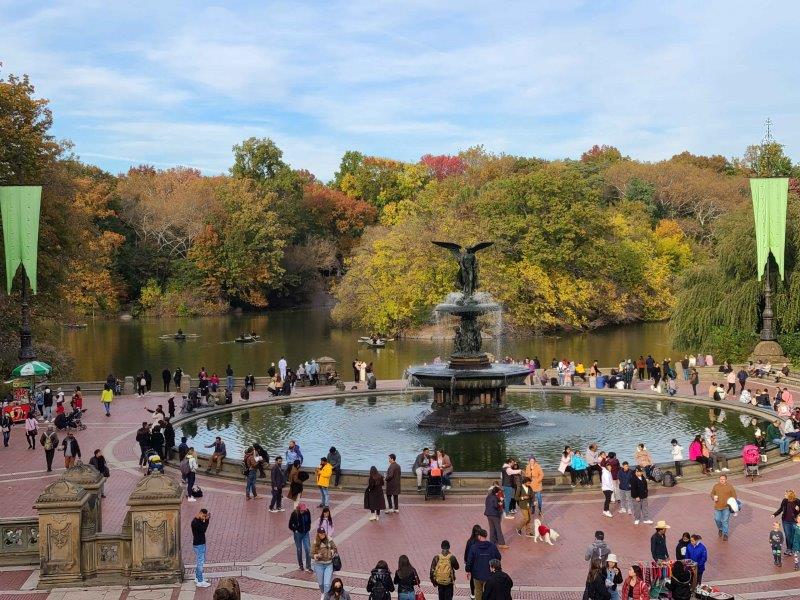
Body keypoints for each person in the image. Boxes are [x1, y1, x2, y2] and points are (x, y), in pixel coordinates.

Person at [465, 528, 501, 600]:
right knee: (488, 592)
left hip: (477, 574)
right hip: (489, 574)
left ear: (479, 536)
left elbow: (469, 561)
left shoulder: (474, 547)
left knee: (478, 591)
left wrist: (467, 570)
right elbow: (498, 557)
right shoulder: (492, 546)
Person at [311, 527, 337, 596]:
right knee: (321, 584)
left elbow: (334, 548)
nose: (322, 534)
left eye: (323, 533)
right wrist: (316, 556)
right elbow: (311, 553)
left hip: (328, 564)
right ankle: (323, 593)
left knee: (327, 584)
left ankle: (326, 596)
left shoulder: (329, 539)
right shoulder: (315, 541)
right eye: (321, 533)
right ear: (318, 534)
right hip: (318, 565)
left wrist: (331, 552)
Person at [711, 474, 736, 540]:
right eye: (721, 479)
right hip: (718, 507)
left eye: (723, 479)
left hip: (726, 507)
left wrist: (733, 503)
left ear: (726, 480)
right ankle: (720, 529)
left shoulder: (730, 487)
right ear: (719, 480)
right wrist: (713, 497)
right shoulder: (716, 486)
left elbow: (734, 496)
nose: (722, 480)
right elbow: (712, 493)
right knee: (717, 519)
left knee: (725, 521)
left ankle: (725, 534)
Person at [190, 508, 211, 587]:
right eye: (203, 516)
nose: (203, 518)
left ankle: (197, 577)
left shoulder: (197, 521)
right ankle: (200, 581)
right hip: (199, 545)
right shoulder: (195, 523)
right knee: (200, 562)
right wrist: (207, 521)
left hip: (199, 544)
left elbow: (203, 526)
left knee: (199, 561)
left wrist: (205, 520)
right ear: (199, 513)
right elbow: (203, 529)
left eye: (205, 516)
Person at [289, 503, 312, 571]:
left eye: (304, 510)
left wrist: (308, 528)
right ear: (299, 509)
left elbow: (309, 521)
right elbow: (290, 525)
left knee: (308, 549)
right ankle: (301, 565)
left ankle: (308, 566)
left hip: (306, 533)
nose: (303, 511)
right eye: (302, 510)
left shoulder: (307, 512)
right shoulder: (294, 514)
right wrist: (295, 530)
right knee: (299, 549)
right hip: (298, 534)